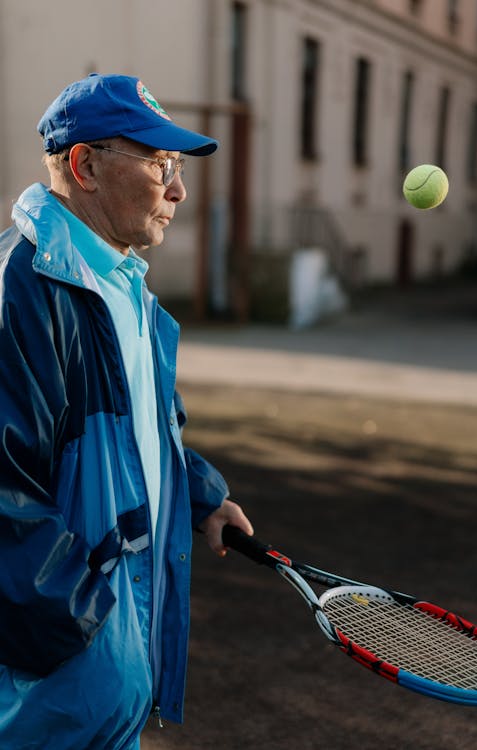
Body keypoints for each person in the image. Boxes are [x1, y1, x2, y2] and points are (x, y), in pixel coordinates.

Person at [0, 73, 253, 750]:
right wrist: (88, 636)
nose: (179, 190)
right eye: (159, 165)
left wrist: (202, 496)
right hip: (55, 686)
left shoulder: (127, 289)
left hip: (109, 668)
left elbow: (143, 427)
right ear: (85, 166)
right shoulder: (22, 291)